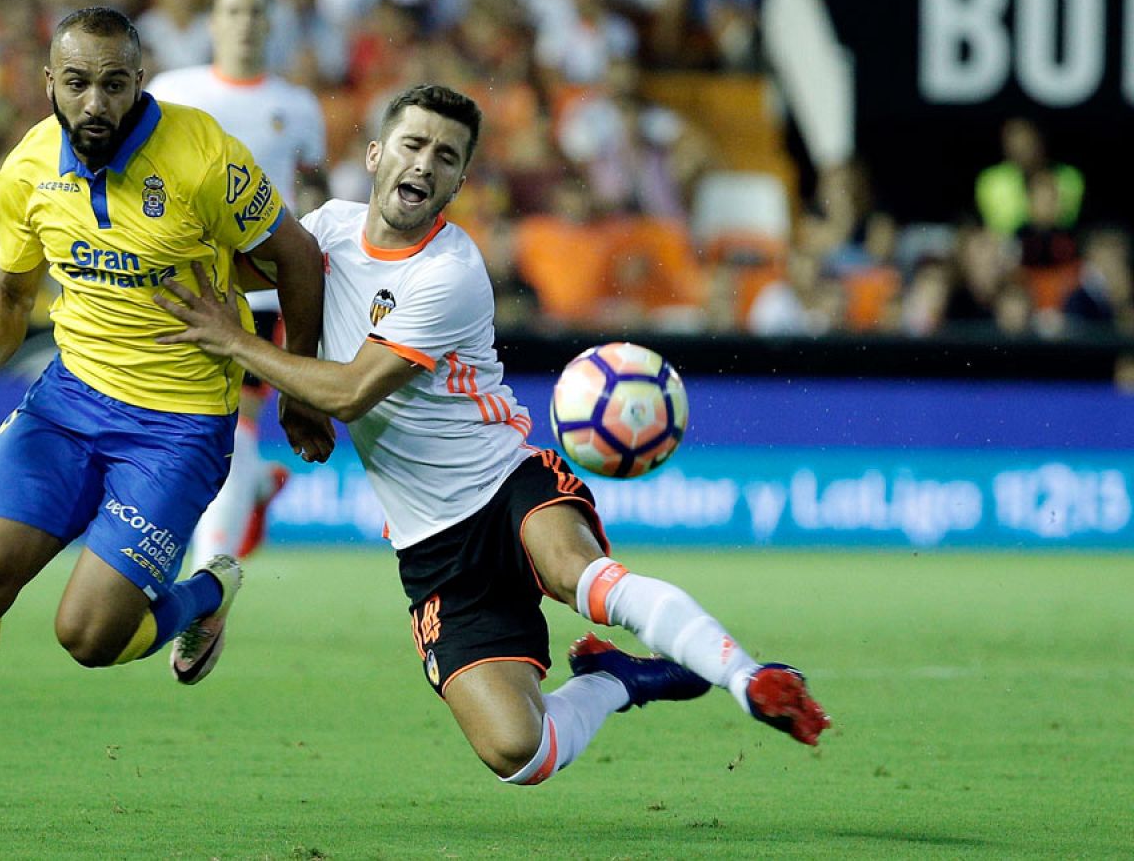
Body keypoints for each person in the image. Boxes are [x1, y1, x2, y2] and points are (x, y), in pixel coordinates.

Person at [156, 84, 830, 788]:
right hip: (431, 545)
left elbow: (352, 391)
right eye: (414, 145)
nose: (425, 164)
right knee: (519, 754)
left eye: (446, 157)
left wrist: (237, 343)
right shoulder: (325, 229)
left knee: (582, 578)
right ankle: (616, 681)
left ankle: (744, 676)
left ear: (459, 181)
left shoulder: (449, 272)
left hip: (505, 481)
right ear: (377, 154)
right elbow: (229, 269)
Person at [0, 7, 332, 833]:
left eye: (113, 83)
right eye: (77, 83)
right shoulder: (28, 168)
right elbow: (10, 290)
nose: (96, 102)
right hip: (70, 402)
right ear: (51, 85)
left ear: (137, 81)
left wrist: (302, 389)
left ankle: (208, 592)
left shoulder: (202, 156)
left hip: (178, 425)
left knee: (90, 636)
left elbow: (296, 256)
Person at [147, 0, 329, 564]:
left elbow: (316, 198)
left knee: (235, 420)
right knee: (199, 426)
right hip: (188, 281)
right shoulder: (175, 91)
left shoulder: (297, 106)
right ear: (212, 21)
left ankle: (209, 572)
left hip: (264, 289)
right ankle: (251, 485)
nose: (245, 22)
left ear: (270, 22)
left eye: (255, 12)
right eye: (233, 11)